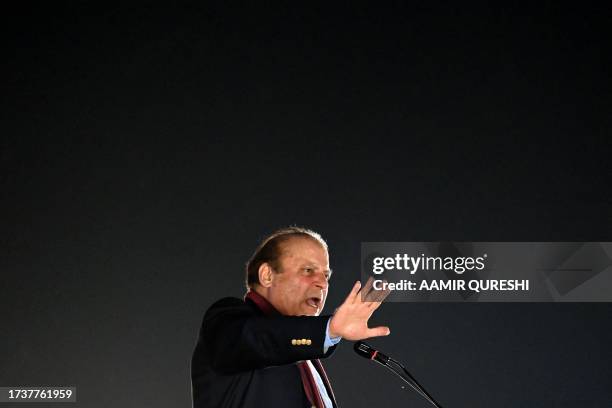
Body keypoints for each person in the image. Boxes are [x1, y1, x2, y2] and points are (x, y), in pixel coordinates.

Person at [191, 227, 390, 408]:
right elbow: (259, 338)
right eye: (308, 270)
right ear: (267, 275)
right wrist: (328, 329)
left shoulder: (305, 355)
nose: (322, 283)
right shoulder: (227, 322)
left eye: (326, 275)